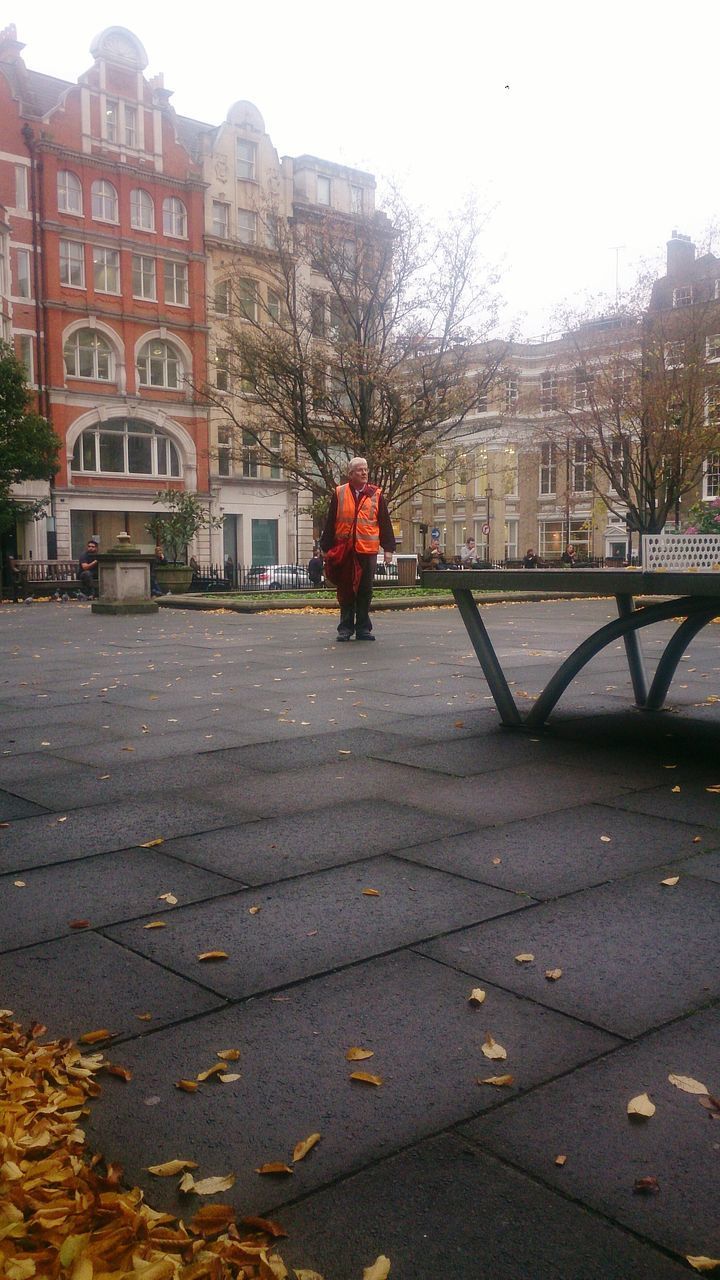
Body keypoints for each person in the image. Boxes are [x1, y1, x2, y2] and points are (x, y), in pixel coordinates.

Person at [320, 456, 396, 641]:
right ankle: (345, 628)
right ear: (351, 474)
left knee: (365, 590)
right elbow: (331, 521)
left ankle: (363, 628)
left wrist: (388, 548)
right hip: (346, 549)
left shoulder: (376, 494)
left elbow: (384, 522)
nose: (364, 473)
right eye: (360, 470)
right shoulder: (339, 493)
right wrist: (326, 547)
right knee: (346, 589)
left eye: (366, 470)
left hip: (367, 550)